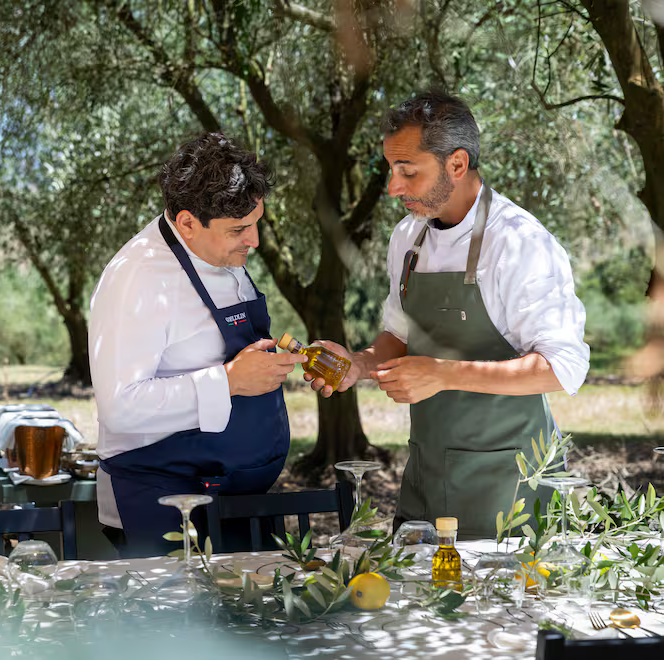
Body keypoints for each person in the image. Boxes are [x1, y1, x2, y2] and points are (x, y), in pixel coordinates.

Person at [306, 91, 590, 539]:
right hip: (427, 472)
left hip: (510, 486)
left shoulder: (519, 243)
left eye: (408, 171)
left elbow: (562, 369)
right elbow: (398, 334)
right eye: (390, 170)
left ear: (457, 164)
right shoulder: (408, 238)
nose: (392, 187)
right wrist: (357, 365)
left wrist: (443, 374)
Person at [89, 133, 307, 558]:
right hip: (165, 505)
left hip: (236, 500)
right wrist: (227, 381)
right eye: (240, 230)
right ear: (188, 222)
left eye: (256, 222)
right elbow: (119, 406)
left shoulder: (219, 254)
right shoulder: (138, 277)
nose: (255, 241)